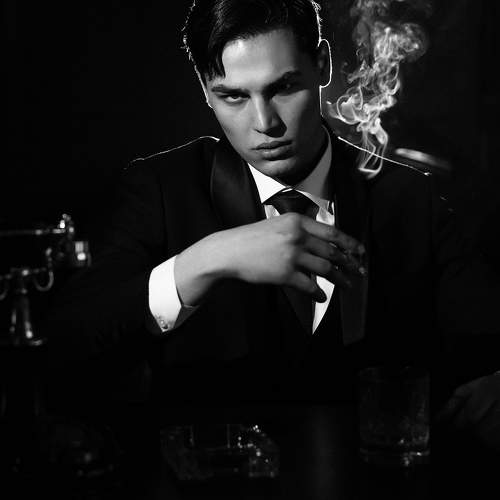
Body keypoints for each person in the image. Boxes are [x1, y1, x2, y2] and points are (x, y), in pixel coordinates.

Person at [44, 0, 500, 451]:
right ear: (204, 87)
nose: (265, 124)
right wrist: (205, 259)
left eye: (284, 87)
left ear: (322, 64)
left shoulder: (409, 198)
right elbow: (68, 344)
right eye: (234, 96)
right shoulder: (161, 191)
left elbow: (484, 347)